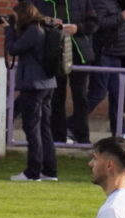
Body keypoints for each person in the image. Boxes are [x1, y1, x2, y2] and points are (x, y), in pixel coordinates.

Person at [5, 1, 58, 181]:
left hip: (34, 85)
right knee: (45, 128)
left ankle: (33, 171)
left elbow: (13, 48)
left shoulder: (33, 31)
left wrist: (8, 30)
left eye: (17, 16)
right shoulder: (43, 27)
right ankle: (49, 171)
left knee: (32, 128)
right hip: (48, 83)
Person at [36, 0, 98, 144]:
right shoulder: (41, 2)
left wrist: (78, 28)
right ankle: (58, 138)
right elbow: (32, 20)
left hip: (78, 53)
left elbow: (94, 23)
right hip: (54, 53)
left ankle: (82, 137)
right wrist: (49, 22)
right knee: (57, 97)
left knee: (80, 97)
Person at [87, 0, 125, 135]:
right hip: (104, 54)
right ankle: (73, 124)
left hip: (115, 55)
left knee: (117, 95)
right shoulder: (100, 2)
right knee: (98, 93)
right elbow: (99, 24)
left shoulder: (112, 3)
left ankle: (120, 133)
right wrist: (121, 17)